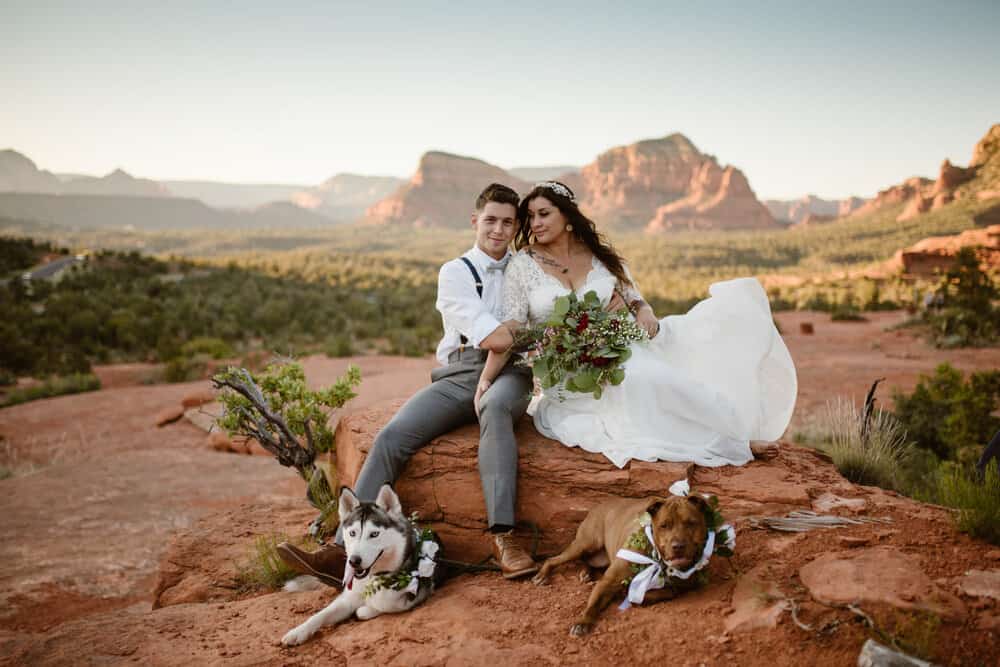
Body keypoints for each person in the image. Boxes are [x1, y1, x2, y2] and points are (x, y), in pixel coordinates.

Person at [279, 183, 539, 582]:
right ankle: (340, 553)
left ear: (516, 225)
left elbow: (512, 342)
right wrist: (515, 330)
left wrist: (515, 336)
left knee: (496, 406)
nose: (499, 230)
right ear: (475, 220)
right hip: (460, 372)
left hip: (511, 372)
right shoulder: (455, 273)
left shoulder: (527, 269)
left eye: (508, 222)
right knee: (392, 437)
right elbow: (494, 338)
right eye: (490, 220)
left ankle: (505, 537)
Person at [475, 181, 797, 469]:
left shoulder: (601, 258)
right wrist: (487, 379)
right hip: (567, 368)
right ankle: (728, 444)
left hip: (617, 345)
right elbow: (514, 325)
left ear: (568, 217)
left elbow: (635, 299)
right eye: (530, 217)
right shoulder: (522, 264)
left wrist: (645, 313)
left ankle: (733, 437)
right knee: (637, 383)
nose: (535, 223)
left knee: (661, 376)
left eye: (543, 214)